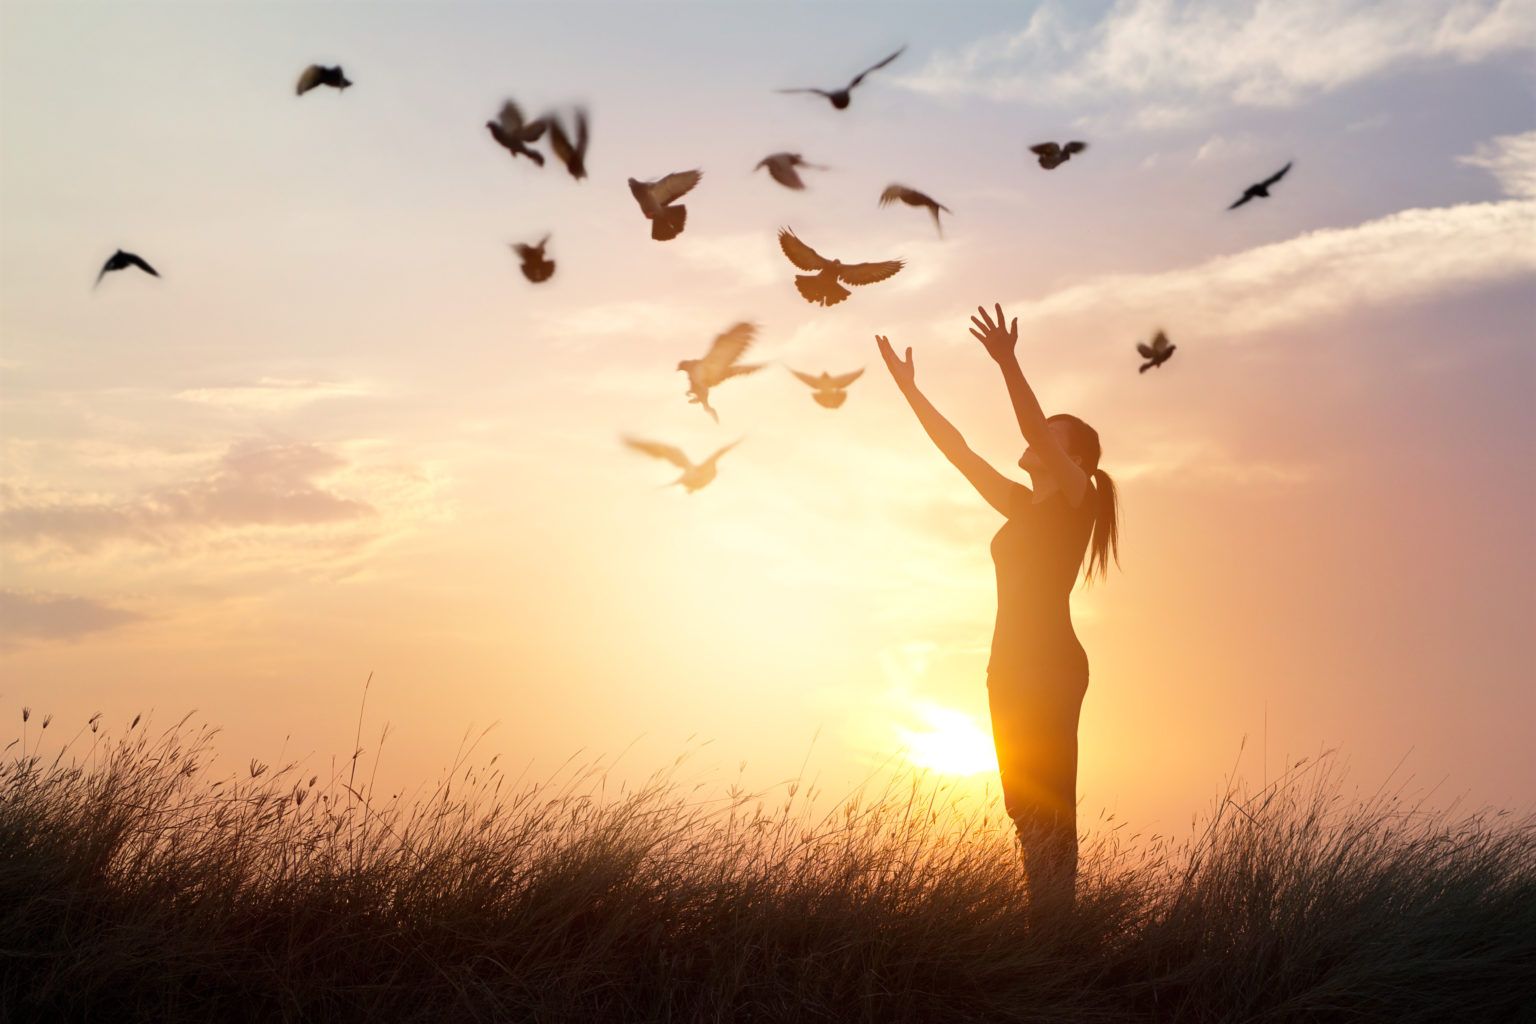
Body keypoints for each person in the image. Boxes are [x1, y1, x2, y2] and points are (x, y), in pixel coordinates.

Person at [876, 304, 1120, 924]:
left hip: (1051, 664)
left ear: (1077, 460)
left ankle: (1058, 931)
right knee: (1022, 804)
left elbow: (1035, 429)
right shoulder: (1022, 508)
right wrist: (911, 391)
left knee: (1051, 803)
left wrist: (1008, 362)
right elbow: (958, 452)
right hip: (1006, 666)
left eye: (1053, 433)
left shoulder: (1077, 499)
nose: (1036, 436)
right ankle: (1047, 920)